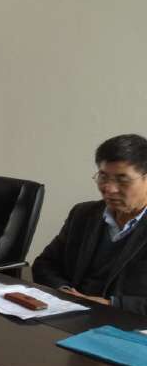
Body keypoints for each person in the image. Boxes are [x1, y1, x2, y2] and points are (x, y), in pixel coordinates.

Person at [33, 134, 147, 314]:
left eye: (122, 179)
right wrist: (65, 292)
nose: (109, 188)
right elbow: (44, 264)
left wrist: (111, 304)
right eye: (103, 177)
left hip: (125, 322)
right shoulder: (83, 214)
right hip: (69, 314)